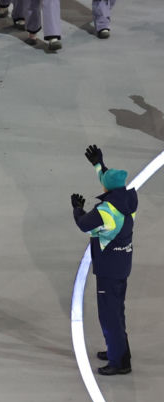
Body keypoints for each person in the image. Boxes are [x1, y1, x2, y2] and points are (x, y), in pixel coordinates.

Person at [71, 144, 137, 375]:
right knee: (117, 312)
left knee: (109, 316)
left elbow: (84, 224)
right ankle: (118, 351)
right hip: (121, 266)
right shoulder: (127, 201)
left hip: (108, 268)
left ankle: (119, 363)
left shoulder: (107, 211)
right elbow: (111, 183)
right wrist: (99, 164)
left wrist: (77, 209)